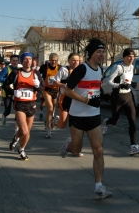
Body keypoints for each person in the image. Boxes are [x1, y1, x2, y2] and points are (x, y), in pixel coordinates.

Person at [59, 38, 112, 200]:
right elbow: (67, 91)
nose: (102, 54)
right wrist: (87, 100)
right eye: (99, 52)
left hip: (94, 115)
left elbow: (94, 88)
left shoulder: (100, 70)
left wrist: (101, 95)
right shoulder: (82, 69)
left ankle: (99, 187)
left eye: (103, 51)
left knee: (99, 150)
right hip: (77, 115)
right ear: (91, 54)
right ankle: (69, 146)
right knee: (77, 150)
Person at [102, 48, 139, 156]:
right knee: (115, 121)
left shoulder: (132, 67)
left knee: (133, 121)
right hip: (117, 96)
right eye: (129, 57)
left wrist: (131, 84)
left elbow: (127, 80)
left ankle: (133, 146)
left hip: (128, 96)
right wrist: (120, 85)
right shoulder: (118, 67)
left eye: (133, 57)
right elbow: (108, 82)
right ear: (124, 57)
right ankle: (107, 122)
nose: (131, 59)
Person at [4, 52, 44, 161]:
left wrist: (37, 86)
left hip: (31, 104)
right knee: (24, 130)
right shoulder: (16, 73)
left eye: (29, 59)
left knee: (27, 132)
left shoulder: (36, 73)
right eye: (25, 59)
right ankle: (16, 138)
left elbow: (42, 89)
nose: (28, 61)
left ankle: (21, 149)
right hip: (19, 104)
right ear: (22, 61)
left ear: (32, 61)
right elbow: (5, 85)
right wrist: (13, 92)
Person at [53, 53, 80, 130]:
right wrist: (64, 85)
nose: (76, 62)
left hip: (76, 98)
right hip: (65, 98)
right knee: (63, 125)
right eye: (73, 60)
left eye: (77, 60)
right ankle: (55, 122)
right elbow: (54, 82)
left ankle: (72, 140)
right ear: (69, 61)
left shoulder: (81, 71)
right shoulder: (64, 70)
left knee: (75, 123)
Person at [39, 53, 60, 138]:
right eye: (52, 60)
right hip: (46, 89)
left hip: (56, 90)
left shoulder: (60, 68)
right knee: (50, 108)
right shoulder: (44, 67)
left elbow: (64, 78)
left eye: (55, 60)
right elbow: (37, 75)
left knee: (53, 109)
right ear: (49, 59)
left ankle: (47, 122)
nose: (53, 62)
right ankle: (48, 130)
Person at [0, 55, 20, 126]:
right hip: (8, 92)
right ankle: (4, 115)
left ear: (18, 61)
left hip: (17, 93)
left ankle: (17, 127)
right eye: (13, 60)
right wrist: (8, 80)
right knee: (8, 111)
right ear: (10, 61)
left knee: (17, 111)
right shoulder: (6, 69)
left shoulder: (20, 69)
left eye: (16, 60)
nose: (15, 62)